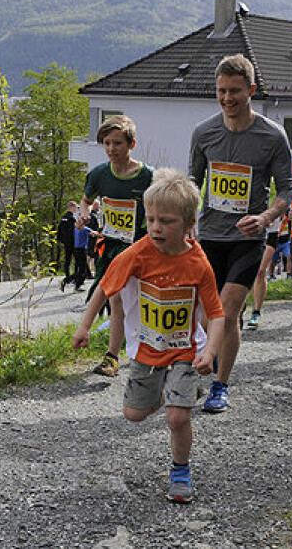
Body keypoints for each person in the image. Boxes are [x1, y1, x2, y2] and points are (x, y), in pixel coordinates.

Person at [72, 169, 224, 503]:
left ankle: (180, 471)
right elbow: (103, 289)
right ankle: (173, 393)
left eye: (166, 221)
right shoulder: (138, 253)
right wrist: (84, 326)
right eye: (151, 219)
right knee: (133, 415)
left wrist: (210, 352)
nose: (155, 227)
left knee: (177, 417)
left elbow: (216, 313)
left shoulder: (199, 263)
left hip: (186, 350)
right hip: (146, 349)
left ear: (188, 224)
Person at [189, 53, 292, 413]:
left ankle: (220, 385)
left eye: (235, 91)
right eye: (221, 91)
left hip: (248, 238)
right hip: (210, 236)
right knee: (207, 314)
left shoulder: (271, 135)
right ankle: (214, 361)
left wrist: (265, 218)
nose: (227, 98)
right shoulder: (204, 133)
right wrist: (185, 215)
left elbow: (286, 190)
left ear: (251, 90)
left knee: (229, 309)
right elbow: (193, 179)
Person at [78, 115, 154, 377]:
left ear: (131, 144)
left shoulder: (149, 176)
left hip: (141, 245)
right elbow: (86, 200)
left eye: (117, 143)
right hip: (111, 244)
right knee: (116, 299)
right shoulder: (99, 174)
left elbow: (163, 205)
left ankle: (153, 351)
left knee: (144, 301)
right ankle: (112, 357)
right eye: (107, 143)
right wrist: (84, 213)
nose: (111, 149)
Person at [245, 215, 279, 330]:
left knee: (260, 271)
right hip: (249, 232)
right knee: (248, 271)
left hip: (270, 233)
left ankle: (256, 312)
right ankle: (241, 304)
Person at [57, 201, 78, 290]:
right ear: (72, 207)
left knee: (67, 259)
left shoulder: (63, 218)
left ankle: (67, 274)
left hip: (66, 242)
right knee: (77, 259)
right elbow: (74, 232)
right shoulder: (72, 219)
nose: (76, 209)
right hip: (72, 242)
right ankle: (75, 276)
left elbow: (59, 231)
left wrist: (62, 241)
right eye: (75, 207)